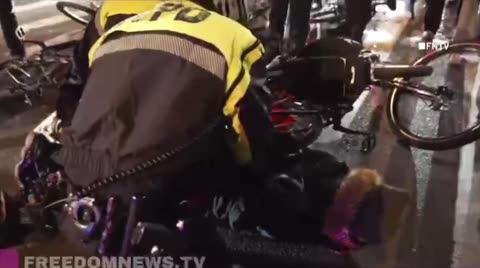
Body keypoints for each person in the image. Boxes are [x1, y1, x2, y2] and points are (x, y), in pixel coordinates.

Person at [5, 0, 404, 252]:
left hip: (82, 173)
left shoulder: (119, 22)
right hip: (157, 182)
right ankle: (349, 207)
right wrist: (266, 169)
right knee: (246, 183)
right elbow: (253, 142)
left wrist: (75, 145)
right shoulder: (231, 35)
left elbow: (76, 92)